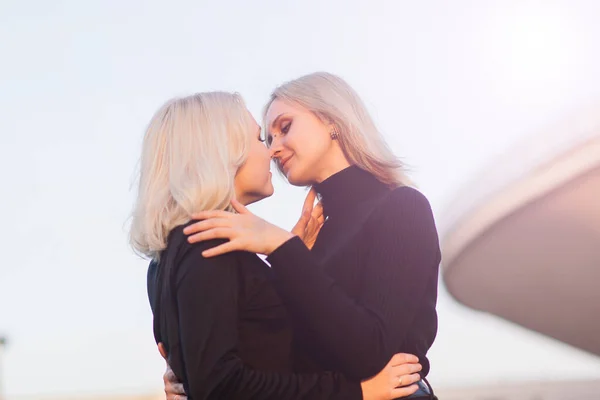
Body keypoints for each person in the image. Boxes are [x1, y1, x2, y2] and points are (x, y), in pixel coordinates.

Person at [129, 91, 424, 400]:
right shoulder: (208, 244)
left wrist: (288, 258)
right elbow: (221, 385)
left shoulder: (168, 259)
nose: (270, 152)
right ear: (223, 153)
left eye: (283, 131)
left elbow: (244, 343)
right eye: (260, 139)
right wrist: (355, 392)